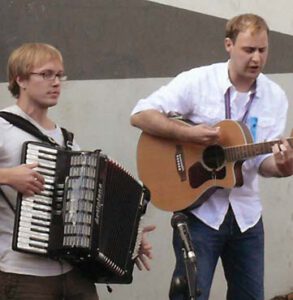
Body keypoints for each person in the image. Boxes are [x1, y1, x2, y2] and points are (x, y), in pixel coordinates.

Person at [130, 13, 293, 300]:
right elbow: (140, 115)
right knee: (191, 295)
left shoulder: (275, 97)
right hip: (199, 214)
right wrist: (188, 135)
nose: (256, 58)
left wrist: (283, 165)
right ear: (229, 45)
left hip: (247, 216)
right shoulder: (199, 81)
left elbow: (262, 166)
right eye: (248, 50)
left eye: (262, 50)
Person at [0, 43, 154, 300]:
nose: (56, 82)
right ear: (21, 79)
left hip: (74, 275)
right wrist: (8, 176)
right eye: (46, 74)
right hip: (23, 274)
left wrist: (130, 239)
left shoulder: (65, 139)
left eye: (60, 75)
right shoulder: (3, 126)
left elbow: (90, 207)